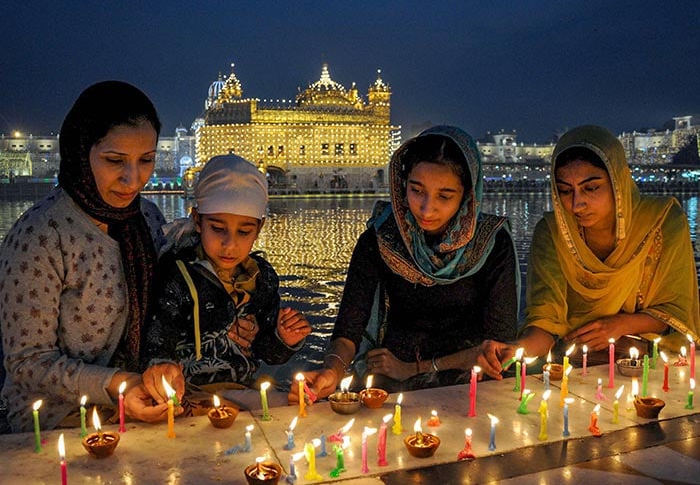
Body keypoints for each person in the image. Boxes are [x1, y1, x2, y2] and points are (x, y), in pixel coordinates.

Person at [0, 81, 184, 433]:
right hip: (56, 418)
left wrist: (161, 368)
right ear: (80, 153)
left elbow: (162, 316)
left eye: (146, 160)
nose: (133, 179)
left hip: (142, 402)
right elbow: (27, 362)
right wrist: (119, 385)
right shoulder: (40, 236)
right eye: (115, 161)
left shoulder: (147, 219)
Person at [289, 125, 519, 404]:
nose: (426, 208)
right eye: (416, 190)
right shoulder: (381, 237)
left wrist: (416, 369)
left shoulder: (491, 244)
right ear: (402, 184)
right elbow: (350, 327)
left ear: (467, 196)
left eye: (444, 196)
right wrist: (331, 371)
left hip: (471, 377)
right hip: (390, 373)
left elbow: (499, 344)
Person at [142, 154, 311, 410]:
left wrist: (284, 338)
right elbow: (156, 341)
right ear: (197, 220)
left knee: (302, 405)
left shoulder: (260, 278)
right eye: (218, 229)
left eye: (244, 232)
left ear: (259, 228)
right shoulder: (177, 274)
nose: (230, 245)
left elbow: (267, 353)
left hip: (241, 390)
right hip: (186, 394)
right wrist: (161, 367)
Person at [517, 124, 699, 360]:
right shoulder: (553, 232)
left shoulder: (662, 221)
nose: (576, 204)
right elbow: (545, 320)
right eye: (564, 190)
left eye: (591, 188)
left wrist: (621, 325)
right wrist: (516, 349)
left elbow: (676, 313)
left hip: (649, 359)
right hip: (574, 359)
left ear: (618, 181)